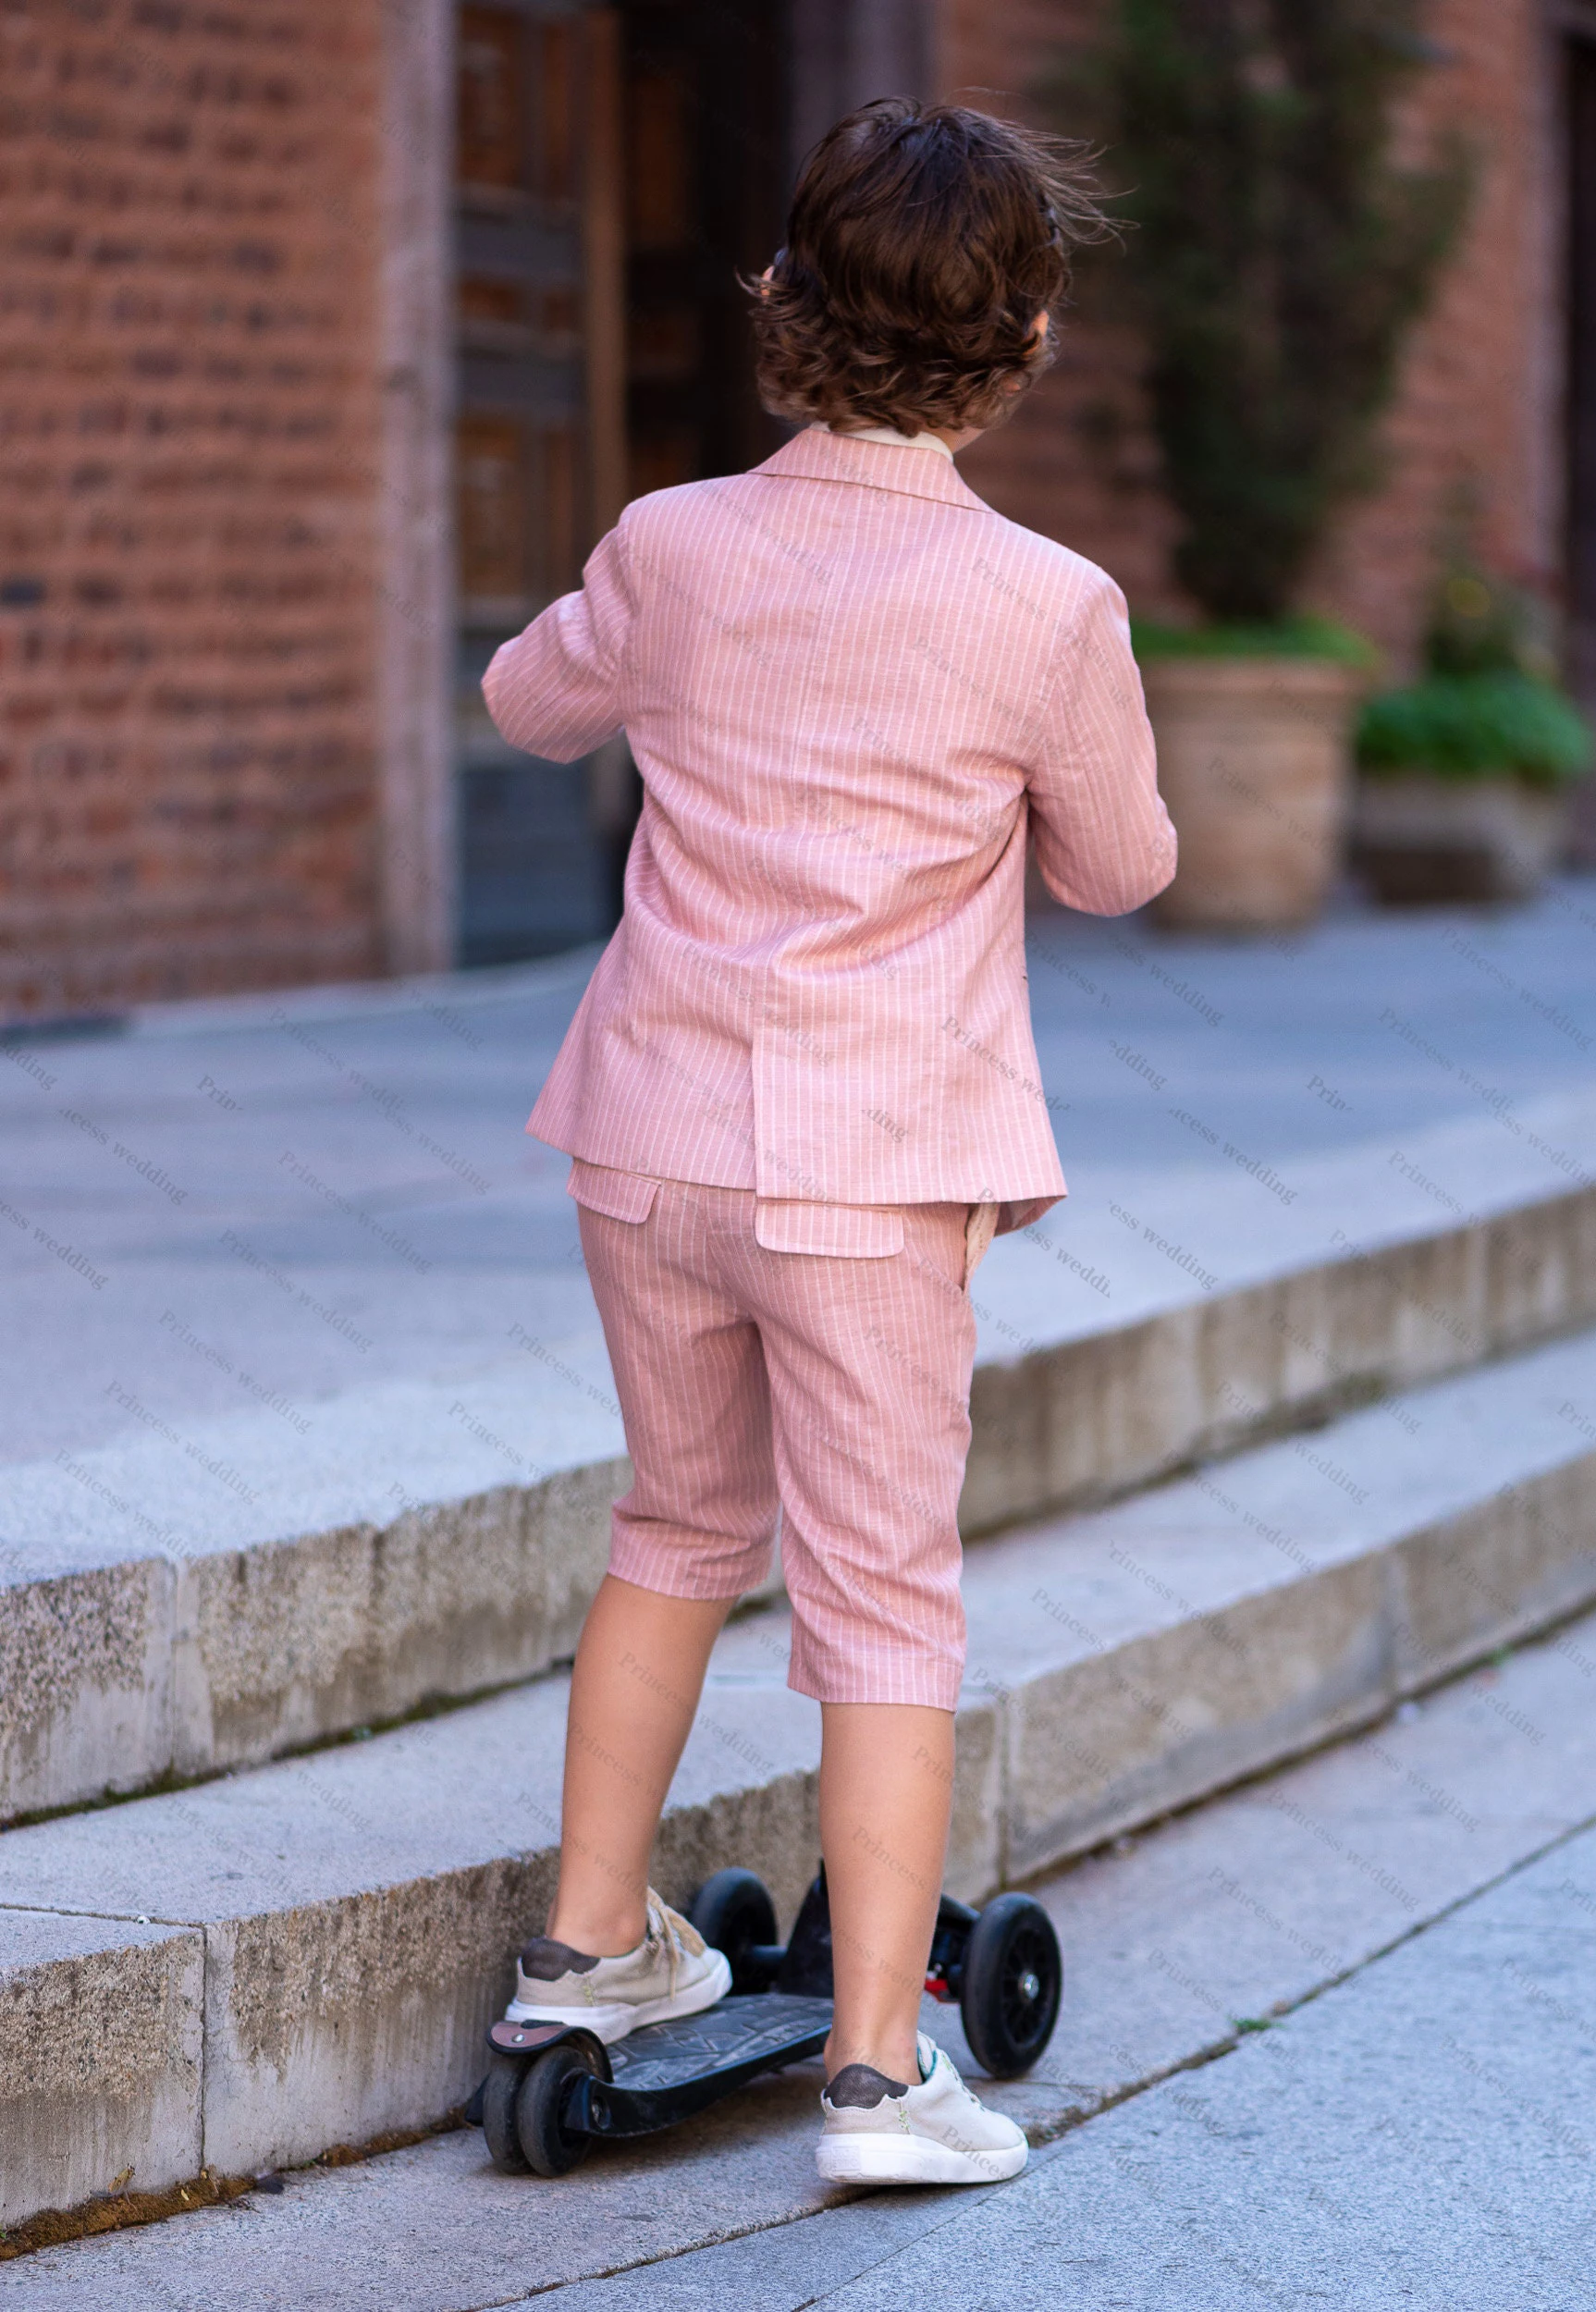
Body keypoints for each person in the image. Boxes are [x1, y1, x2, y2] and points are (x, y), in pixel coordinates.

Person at [482, 95, 1175, 2188]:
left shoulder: (673, 542)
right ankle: (881, 2071)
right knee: (882, 1594)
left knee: (677, 1524)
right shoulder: (1045, 603)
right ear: (1027, 336)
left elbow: (526, 701)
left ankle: (585, 1945)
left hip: (653, 1135)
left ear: (785, 304)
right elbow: (1126, 864)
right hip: (878, 1173)